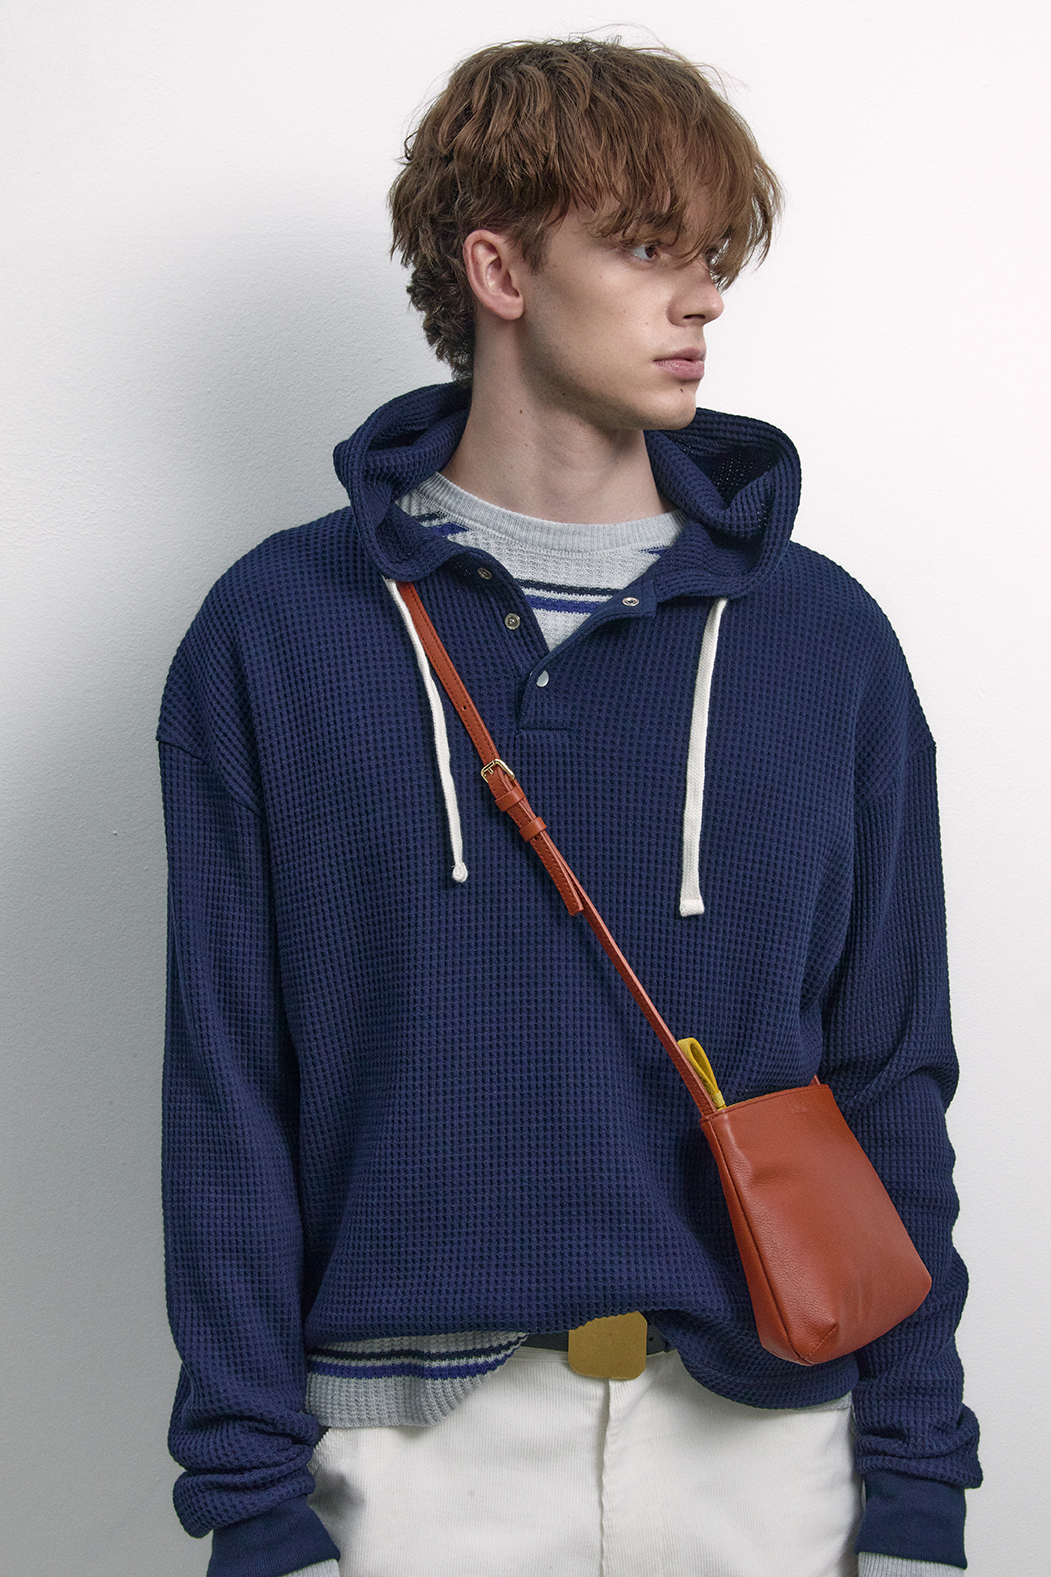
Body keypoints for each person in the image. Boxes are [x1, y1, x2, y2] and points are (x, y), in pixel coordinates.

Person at [158, 37, 980, 1577]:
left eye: (714, 254)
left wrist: (919, 1489)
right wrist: (255, 1507)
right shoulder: (276, 635)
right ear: (500, 270)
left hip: (768, 1457)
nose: (704, 297)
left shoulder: (824, 640)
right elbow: (227, 1094)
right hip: (408, 1468)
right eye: (648, 246)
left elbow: (892, 1077)